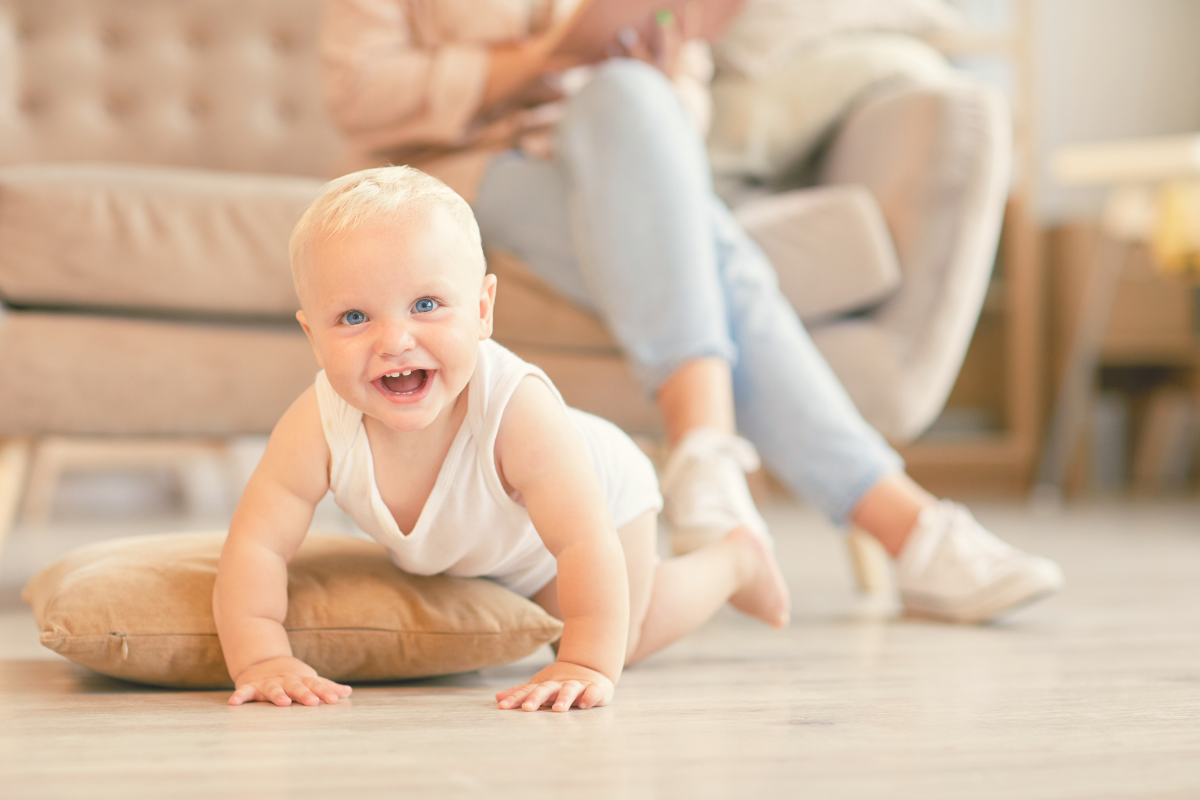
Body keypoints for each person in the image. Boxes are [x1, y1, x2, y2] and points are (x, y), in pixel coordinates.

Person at [318, 0, 1063, 624]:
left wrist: (661, 71)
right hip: (467, 173)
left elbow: (682, 119)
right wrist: (545, 55)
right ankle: (900, 521)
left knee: (633, 104)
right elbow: (358, 88)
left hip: (615, 160)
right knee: (713, 259)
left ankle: (711, 454)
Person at [212, 166, 790, 711]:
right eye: (354, 318)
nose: (395, 340)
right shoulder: (317, 422)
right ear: (313, 337)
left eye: (427, 305)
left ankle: (735, 558)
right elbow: (258, 545)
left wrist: (585, 664)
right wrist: (261, 658)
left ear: (483, 310)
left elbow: (583, 543)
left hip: (600, 507)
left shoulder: (517, 410)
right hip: (484, 543)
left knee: (623, 639)